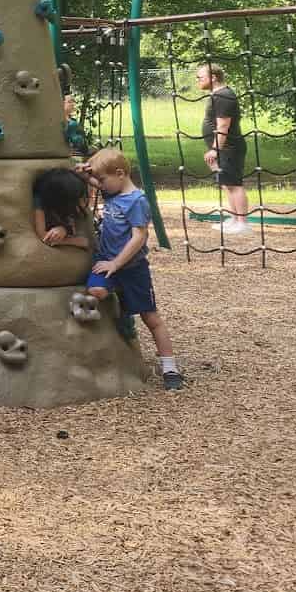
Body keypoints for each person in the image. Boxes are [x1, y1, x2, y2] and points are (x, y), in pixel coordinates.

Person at [81, 147, 184, 391]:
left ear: (120, 174)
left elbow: (139, 237)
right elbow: (97, 180)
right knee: (96, 291)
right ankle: (123, 318)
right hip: (106, 262)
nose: (100, 186)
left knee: (151, 318)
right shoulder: (113, 192)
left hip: (131, 268)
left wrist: (116, 263)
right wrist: (86, 174)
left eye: (103, 181)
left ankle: (170, 368)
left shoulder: (136, 201)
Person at [197, 62, 250, 233]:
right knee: (226, 184)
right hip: (224, 147)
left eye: (200, 77)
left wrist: (215, 149)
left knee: (234, 184)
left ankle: (242, 223)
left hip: (229, 148)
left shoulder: (223, 96)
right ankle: (234, 219)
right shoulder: (218, 95)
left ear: (213, 77)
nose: (197, 80)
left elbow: (223, 126)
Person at [31, 166, 92, 250]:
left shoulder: (67, 203)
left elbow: (72, 225)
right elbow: (44, 237)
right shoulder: (39, 201)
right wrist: (75, 241)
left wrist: (64, 229)